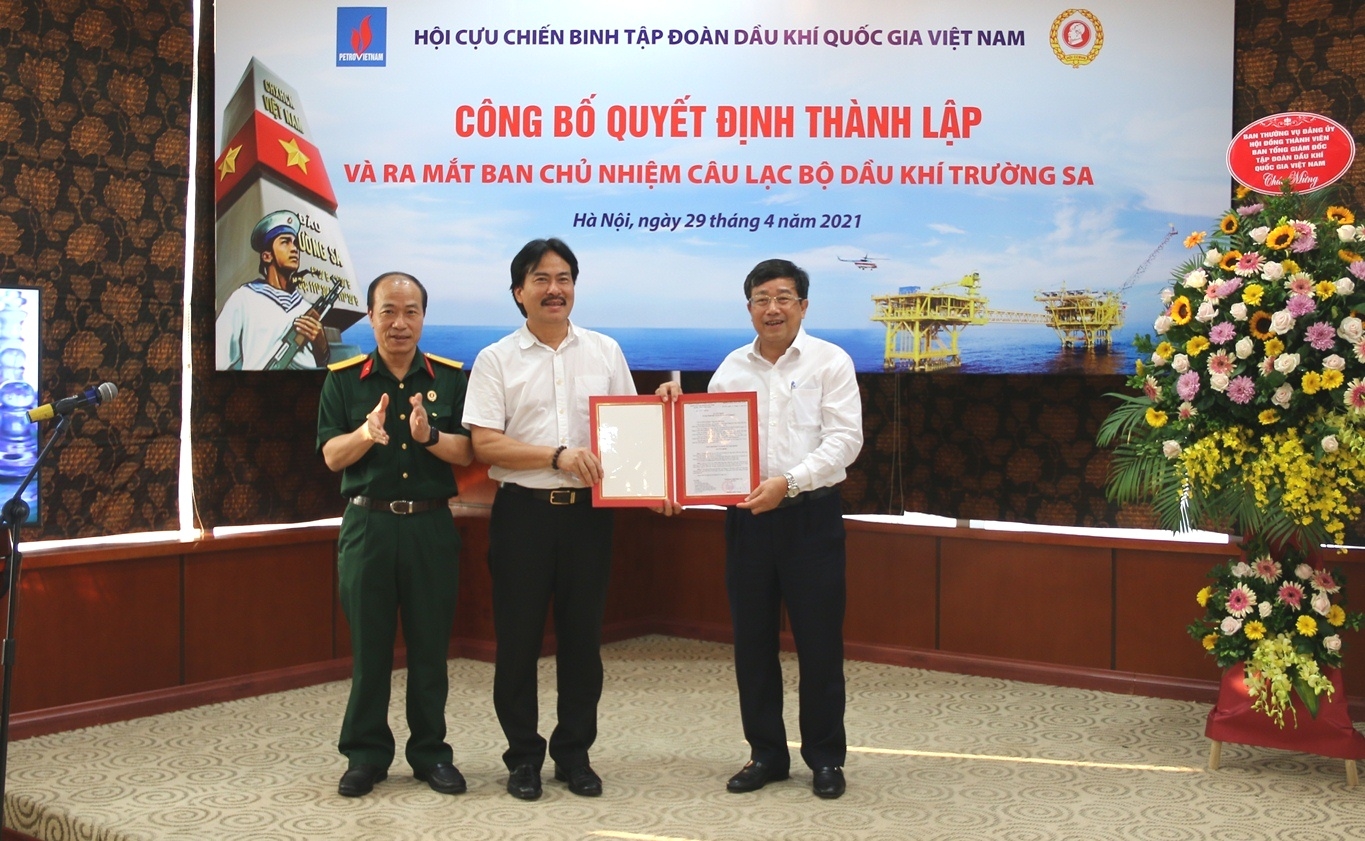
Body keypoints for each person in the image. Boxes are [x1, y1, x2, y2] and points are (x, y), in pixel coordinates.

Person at [657, 258, 863, 799]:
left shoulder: (831, 361)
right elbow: (706, 445)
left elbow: (845, 441)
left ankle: (825, 758)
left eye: (783, 297)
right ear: (749, 307)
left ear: (803, 306)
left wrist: (788, 483)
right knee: (751, 644)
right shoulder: (730, 369)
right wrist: (673, 416)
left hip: (811, 518)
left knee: (819, 645)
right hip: (747, 520)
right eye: (761, 299)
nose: (772, 308)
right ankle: (766, 754)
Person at [462, 238, 635, 801]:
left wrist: (662, 424)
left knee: (583, 642)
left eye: (563, 278)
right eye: (540, 279)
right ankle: (523, 759)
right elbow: (486, 444)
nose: (554, 289)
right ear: (519, 292)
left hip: (588, 519)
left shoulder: (606, 352)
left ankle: (574, 755)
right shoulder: (496, 359)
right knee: (517, 643)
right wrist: (556, 456)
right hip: (523, 517)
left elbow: (630, 433)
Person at [316, 271, 473, 798]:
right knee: (371, 651)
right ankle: (365, 756)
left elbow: (467, 452)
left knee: (430, 649)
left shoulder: (449, 377)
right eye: (388, 311)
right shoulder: (343, 379)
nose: (399, 323)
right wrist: (366, 432)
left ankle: (431, 754)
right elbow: (331, 456)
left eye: (410, 312)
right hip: (369, 527)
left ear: (424, 317)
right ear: (370, 316)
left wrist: (429, 436)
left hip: (431, 526)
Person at [216, 209, 330, 370]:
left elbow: (321, 364)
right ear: (267, 256)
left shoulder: (305, 307)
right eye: (285, 242)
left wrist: (322, 345)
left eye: (295, 243)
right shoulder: (244, 299)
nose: (294, 249)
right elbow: (218, 357)